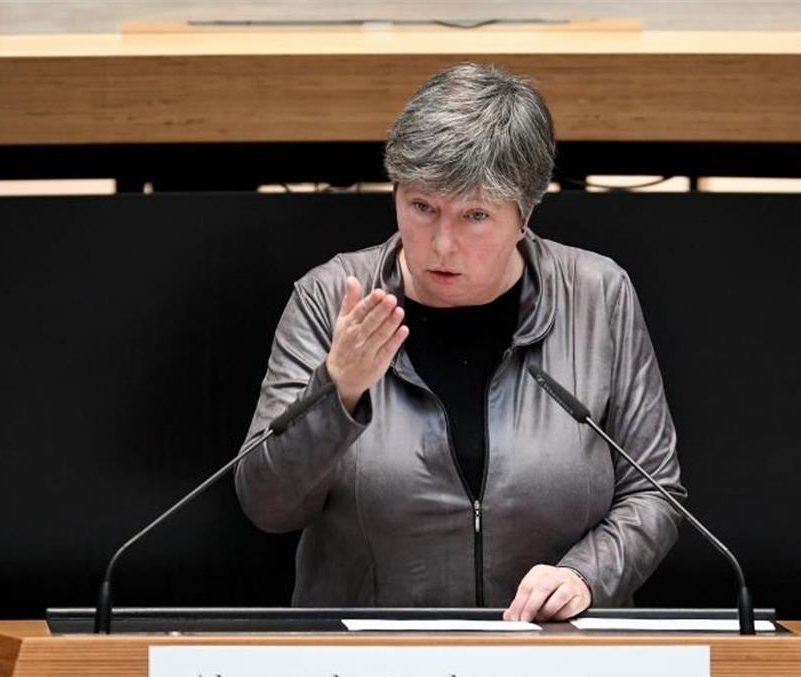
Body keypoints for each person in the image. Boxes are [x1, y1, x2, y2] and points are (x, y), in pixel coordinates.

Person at [235, 63, 684, 622]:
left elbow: (654, 492)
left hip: (552, 667)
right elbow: (267, 504)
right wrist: (339, 391)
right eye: (422, 207)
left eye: (475, 215)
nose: (441, 245)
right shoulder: (330, 298)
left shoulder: (597, 296)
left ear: (526, 213)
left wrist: (585, 574)